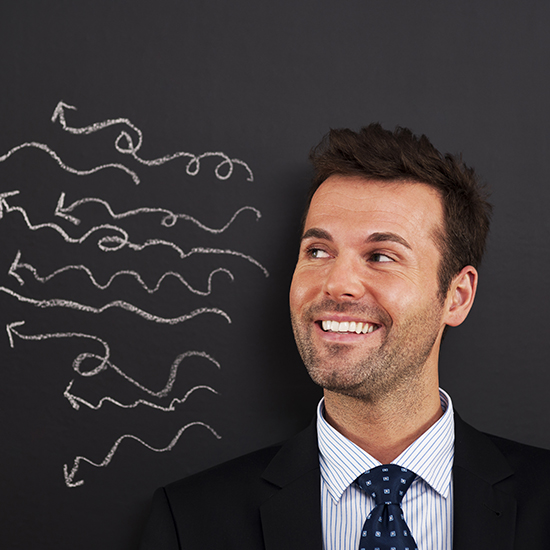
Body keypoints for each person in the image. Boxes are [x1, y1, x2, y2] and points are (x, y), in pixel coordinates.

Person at [139, 124, 550, 550]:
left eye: (380, 256)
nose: (337, 284)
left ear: (456, 297)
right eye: (318, 251)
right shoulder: (191, 523)